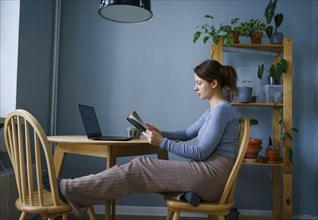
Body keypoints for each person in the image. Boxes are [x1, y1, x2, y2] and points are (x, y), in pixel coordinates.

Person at [43, 59, 240, 217]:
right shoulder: (212, 112)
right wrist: (160, 132)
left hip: (212, 177)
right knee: (152, 175)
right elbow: (187, 134)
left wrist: (161, 142)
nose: (195, 88)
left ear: (214, 83)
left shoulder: (222, 111)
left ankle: (69, 189)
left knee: (142, 166)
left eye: (198, 83)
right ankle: (184, 194)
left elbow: (200, 152)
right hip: (208, 174)